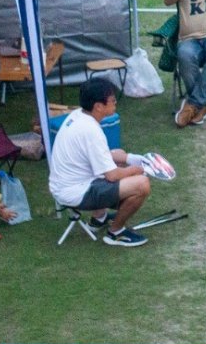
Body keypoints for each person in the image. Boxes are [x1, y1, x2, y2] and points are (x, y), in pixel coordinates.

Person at [48, 78, 153, 246]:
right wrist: (137, 169)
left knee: (119, 154)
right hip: (76, 192)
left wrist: (131, 158)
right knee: (142, 184)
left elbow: (104, 155)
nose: (115, 102)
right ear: (98, 106)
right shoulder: (90, 130)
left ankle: (99, 219)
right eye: (112, 100)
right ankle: (116, 232)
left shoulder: (79, 115)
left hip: (66, 184)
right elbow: (111, 176)